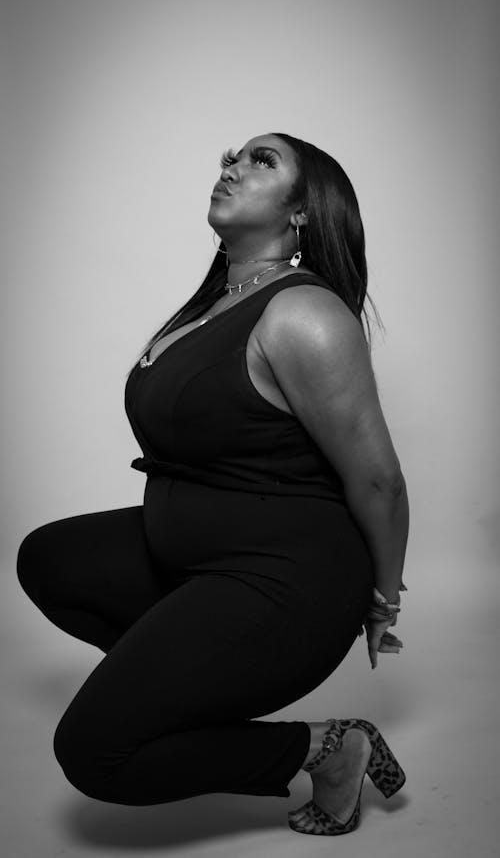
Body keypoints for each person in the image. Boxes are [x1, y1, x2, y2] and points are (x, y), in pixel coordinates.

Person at [16, 131, 409, 837]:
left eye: (263, 160)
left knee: (93, 751)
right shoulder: (216, 303)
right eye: (232, 155)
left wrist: (384, 597)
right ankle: (184, 690)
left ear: (303, 212)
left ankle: (327, 748)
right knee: (49, 558)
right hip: (199, 559)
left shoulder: (304, 315)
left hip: (290, 583)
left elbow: (378, 479)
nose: (233, 166)